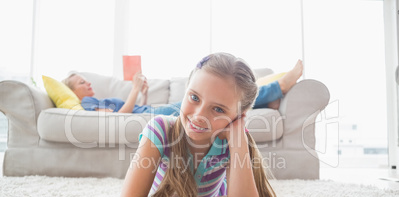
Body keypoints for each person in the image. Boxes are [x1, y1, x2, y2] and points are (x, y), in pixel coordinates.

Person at [117, 52, 297, 197]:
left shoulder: (232, 139)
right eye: (194, 97)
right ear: (186, 90)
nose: (199, 116)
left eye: (218, 109)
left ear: (238, 116)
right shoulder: (160, 130)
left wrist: (238, 140)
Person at [62, 60, 303, 115]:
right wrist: (133, 89)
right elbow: (119, 118)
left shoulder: (98, 99)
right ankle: (277, 88)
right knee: (218, 103)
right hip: (153, 116)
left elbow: (136, 109)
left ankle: (270, 96)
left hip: (151, 111)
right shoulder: (87, 105)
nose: (88, 83)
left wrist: (142, 91)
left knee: (219, 102)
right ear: (73, 90)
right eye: (82, 82)